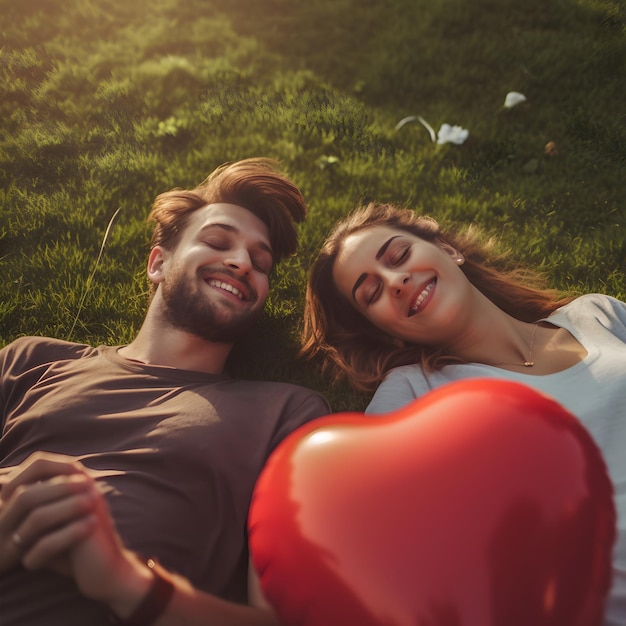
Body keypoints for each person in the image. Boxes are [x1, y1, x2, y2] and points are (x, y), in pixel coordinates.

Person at [0, 158, 330, 626]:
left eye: (260, 263)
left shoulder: (286, 413)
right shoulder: (31, 361)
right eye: (217, 242)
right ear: (158, 262)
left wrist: (127, 582)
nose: (241, 263)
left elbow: (288, 620)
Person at [301, 201, 626, 625]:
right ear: (386, 333)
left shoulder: (596, 314)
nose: (395, 280)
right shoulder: (414, 393)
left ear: (447, 249)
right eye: (372, 293)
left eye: (398, 256)